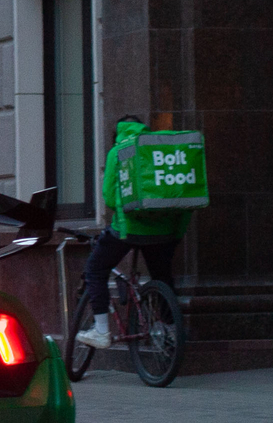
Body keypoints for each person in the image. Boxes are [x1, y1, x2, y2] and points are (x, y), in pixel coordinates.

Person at [77, 116, 189, 349]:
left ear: (116, 134)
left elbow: (109, 197)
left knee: (95, 269)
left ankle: (101, 331)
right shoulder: (158, 149)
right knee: (162, 278)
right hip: (166, 230)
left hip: (129, 230)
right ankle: (170, 330)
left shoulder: (118, 151)